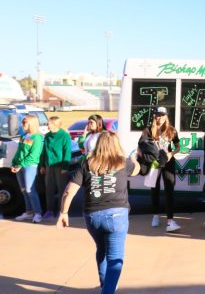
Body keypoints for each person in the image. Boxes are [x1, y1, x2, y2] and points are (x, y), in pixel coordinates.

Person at [57, 131, 140, 294]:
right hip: (117, 216)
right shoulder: (123, 163)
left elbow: (69, 190)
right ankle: (108, 290)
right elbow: (136, 170)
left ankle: (105, 284)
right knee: (115, 258)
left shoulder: (87, 163)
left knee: (101, 249)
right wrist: (134, 158)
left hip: (93, 216)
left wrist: (64, 212)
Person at [138, 107, 181, 232]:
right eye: (158, 115)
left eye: (162, 115)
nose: (160, 118)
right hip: (154, 164)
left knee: (169, 190)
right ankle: (155, 215)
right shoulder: (147, 130)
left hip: (168, 162)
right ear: (154, 116)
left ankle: (170, 220)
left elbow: (178, 146)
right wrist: (144, 158)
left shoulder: (171, 130)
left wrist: (171, 154)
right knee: (154, 189)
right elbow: (140, 146)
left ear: (166, 117)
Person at [11, 115, 44, 223]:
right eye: (23, 122)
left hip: (30, 166)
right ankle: (29, 212)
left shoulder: (37, 137)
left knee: (30, 190)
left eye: (25, 122)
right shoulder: (24, 136)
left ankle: (38, 213)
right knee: (24, 190)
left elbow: (34, 156)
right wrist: (14, 163)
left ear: (31, 123)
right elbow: (19, 151)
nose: (23, 124)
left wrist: (20, 164)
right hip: (19, 166)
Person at [40, 116, 72, 219]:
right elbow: (44, 151)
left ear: (55, 124)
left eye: (48, 123)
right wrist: (42, 165)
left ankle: (61, 211)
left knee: (61, 189)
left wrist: (65, 167)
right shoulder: (47, 136)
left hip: (60, 166)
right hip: (49, 166)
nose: (47, 125)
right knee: (49, 189)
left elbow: (67, 152)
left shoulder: (64, 136)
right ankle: (49, 210)